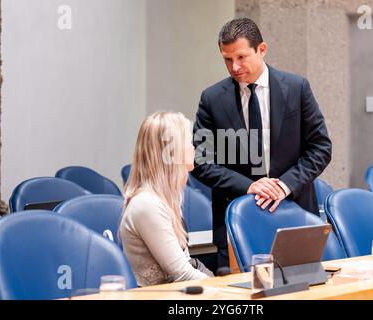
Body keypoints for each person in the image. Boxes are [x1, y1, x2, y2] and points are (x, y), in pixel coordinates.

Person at [192, 18, 332, 269]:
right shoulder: (212, 99)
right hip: (235, 219)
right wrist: (250, 186)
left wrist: (284, 185)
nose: (234, 67)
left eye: (241, 57)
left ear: (262, 50)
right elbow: (202, 162)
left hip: (295, 211)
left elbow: (320, 148)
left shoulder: (297, 88)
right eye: (227, 59)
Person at [119, 111, 213, 287]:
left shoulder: (166, 197)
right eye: (188, 142)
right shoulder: (147, 205)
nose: (194, 148)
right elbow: (182, 273)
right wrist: (225, 291)